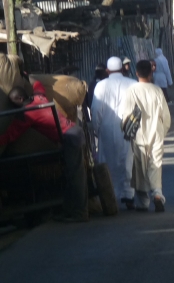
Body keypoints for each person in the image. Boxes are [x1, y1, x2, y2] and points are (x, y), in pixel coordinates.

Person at [1, 82, 88, 222]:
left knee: (75, 176)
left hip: (70, 137)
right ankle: (69, 211)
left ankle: (80, 213)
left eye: (13, 103)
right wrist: (27, 77)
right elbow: (38, 85)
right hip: (73, 133)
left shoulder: (27, 114)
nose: (13, 106)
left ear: (21, 99)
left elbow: (11, 135)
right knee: (70, 174)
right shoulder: (39, 97)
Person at [122, 60, 171, 212]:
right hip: (156, 133)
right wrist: (163, 131)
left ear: (137, 73)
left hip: (138, 135)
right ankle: (157, 194)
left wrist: (125, 128)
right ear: (151, 73)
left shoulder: (131, 91)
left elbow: (127, 114)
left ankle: (143, 202)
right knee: (155, 164)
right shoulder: (157, 91)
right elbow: (166, 116)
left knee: (139, 168)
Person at [92, 56, 137, 210]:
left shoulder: (101, 86)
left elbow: (96, 110)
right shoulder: (132, 83)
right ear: (122, 68)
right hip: (128, 129)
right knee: (127, 162)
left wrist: (96, 129)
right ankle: (128, 195)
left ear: (107, 70)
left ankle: (109, 196)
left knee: (108, 163)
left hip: (106, 129)